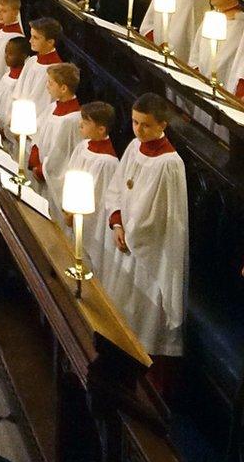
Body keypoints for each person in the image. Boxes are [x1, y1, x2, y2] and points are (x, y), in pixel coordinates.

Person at [103, 94, 188, 357]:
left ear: (163, 124)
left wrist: (132, 234)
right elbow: (118, 186)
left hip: (148, 251)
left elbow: (160, 217)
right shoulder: (133, 147)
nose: (138, 129)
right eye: (134, 122)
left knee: (141, 315)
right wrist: (117, 223)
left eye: (145, 125)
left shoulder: (169, 164)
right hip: (125, 237)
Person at [63, 101, 119, 281]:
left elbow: (100, 199)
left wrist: (75, 212)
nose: (80, 124)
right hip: (73, 212)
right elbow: (70, 174)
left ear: (101, 129)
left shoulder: (108, 162)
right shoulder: (83, 146)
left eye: (86, 122)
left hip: (90, 223)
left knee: (86, 259)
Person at [28, 62, 83, 216]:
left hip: (52, 179)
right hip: (40, 168)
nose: (47, 86)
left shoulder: (73, 119)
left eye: (51, 83)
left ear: (64, 88)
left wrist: (42, 169)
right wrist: (34, 152)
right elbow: (39, 132)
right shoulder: (53, 107)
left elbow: (62, 156)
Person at [188, 0, 244, 87]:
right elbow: (196, 52)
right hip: (200, 84)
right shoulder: (210, 18)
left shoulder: (240, 26)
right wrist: (197, 74)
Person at [14, 17, 66, 112]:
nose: (30, 41)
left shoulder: (56, 71)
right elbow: (19, 91)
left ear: (50, 42)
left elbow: (44, 104)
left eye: (35, 38)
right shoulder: (32, 61)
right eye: (31, 36)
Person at [0, 34, 30, 139]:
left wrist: (5, 129)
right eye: (6, 52)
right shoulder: (6, 76)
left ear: (23, 56)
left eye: (11, 53)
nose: (6, 56)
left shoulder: (21, 83)